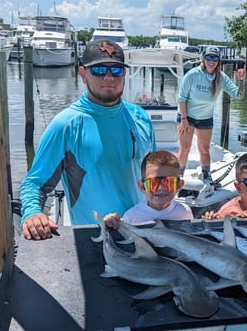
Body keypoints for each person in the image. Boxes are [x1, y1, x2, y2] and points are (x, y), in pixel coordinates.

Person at [20, 39, 156, 240]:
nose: (109, 77)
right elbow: (35, 184)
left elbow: (154, 175)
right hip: (96, 240)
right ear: (83, 74)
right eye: (99, 70)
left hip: (144, 232)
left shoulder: (140, 117)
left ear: (125, 74)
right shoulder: (65, 125)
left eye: (116, 70)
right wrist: (32, 213)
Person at [177, 45, 246, 186]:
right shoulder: (193, 74)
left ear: (219, 60)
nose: (211, 61)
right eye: (208, 57)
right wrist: (183, 119)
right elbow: (181, 98)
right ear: (203, 58)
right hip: (187, 116)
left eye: (215, 58)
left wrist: (242, 80)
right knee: (185, 149)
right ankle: (178, 177)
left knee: (204, 149)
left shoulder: (222, 78)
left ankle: (207, 176)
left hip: (205, 118)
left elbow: (238, 95)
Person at [104, 150, 193, 228]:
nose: (161, 188)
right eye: (153, 183)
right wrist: (111, 223)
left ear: (179, 185)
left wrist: (206, 222)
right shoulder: (132, 216)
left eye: (169, 182)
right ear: (142, 187)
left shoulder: (185, 212)